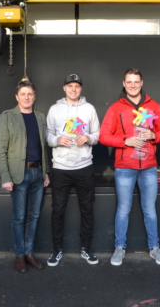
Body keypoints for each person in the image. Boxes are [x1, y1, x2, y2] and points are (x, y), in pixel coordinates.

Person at [100, 68, 160, 266]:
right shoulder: (116, 108)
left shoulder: (154, 106)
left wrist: (154, 135)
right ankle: (119, 248)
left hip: (149, 167)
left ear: (142, 83)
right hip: (125, 167)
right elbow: (103, 136)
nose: (133, 85)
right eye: (129, 82)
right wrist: (125, 141)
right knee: (123, 210)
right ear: (124, 84)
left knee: (150, 210)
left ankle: (154, 247)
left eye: (136, 81)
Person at [46, 74, 100, 266]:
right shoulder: (54, 109)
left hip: (84, 166)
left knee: (87, 210)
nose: (73, 89)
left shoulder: (89, 108)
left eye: (77, 86)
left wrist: (89, 138)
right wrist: (56, 140)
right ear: (64, 88)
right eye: (70, 86)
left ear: (81, 88)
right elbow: (48, 135)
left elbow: (97, 134)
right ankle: (56, 250)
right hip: (61, 168)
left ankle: (86, 249)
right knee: (58, 210)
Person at [0, 80, 50, 273]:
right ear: (17, 97)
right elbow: (1, 150)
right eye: (23, 94)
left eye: (30, 94)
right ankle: (19, 255)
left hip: (38, 174)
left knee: (34, 216)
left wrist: (46, 172)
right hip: (18, 175)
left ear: (34, 96)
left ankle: (29, 253)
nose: (27, 97)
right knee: (19, 218)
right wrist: (6, 177)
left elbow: (43, 147)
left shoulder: (40, 117)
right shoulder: (7, 117)